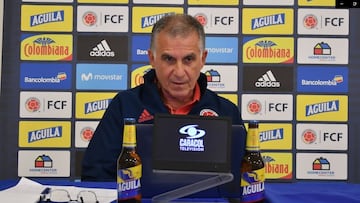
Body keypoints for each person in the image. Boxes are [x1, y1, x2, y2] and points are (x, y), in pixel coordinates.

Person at [81, 13, 245, 181]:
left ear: (203, 59)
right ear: (152, 58)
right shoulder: (125, 105)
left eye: (189, 59)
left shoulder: (226, 111)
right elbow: (96, 175)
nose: (179, 72)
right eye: (169, 59)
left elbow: (244, 179)